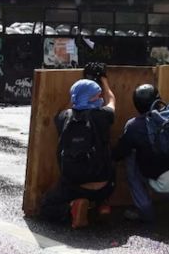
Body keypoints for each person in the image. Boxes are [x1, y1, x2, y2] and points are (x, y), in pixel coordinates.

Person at [112, 84, 169, 223]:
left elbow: (119, 153)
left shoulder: (134, 125)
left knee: (130, 158)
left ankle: (144, 211)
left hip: (166, 184)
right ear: (158, 99)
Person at [40, 74, 117, 228]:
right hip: (105, 185)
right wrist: (104, 80)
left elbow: (66, 107)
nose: (100, 98)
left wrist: (76, 93)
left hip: (74, 186)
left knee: (46, 206)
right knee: (109, 158)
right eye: (97, 96)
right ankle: (102, 204)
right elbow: (112, 100)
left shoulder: (64, 117)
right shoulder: (103, 115)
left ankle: (72, 208)